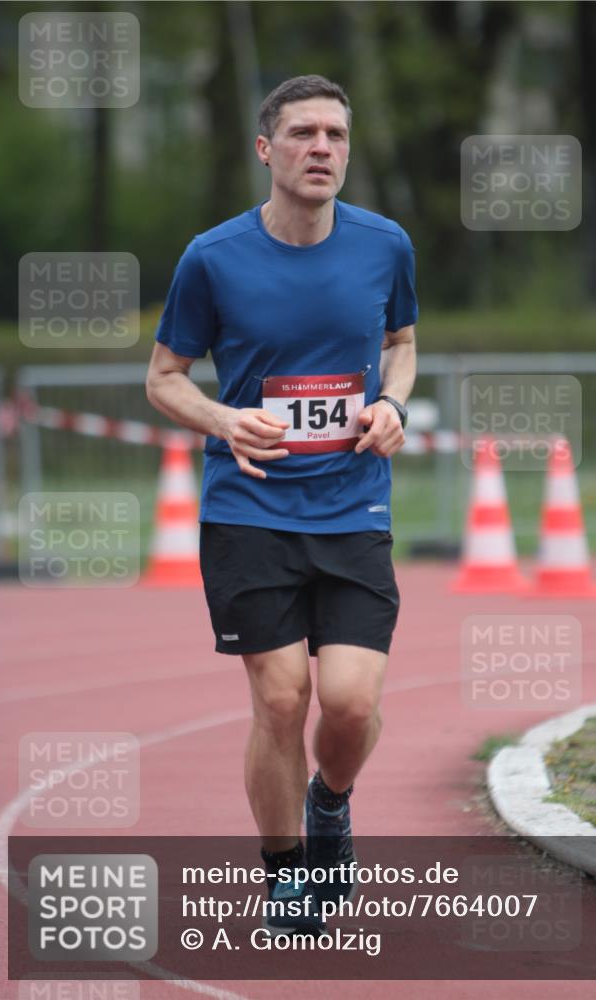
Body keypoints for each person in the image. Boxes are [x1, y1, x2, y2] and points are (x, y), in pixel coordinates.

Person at [146, 74, 417, 935]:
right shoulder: (213, 257)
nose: (321, 149)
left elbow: (401, 344)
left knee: (347, 700)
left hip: (352, 509)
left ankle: (329, 801)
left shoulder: (384, 245)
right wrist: (225, 418)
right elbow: (163, 380)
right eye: (302, 134)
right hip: (250, 509)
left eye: (335, 135)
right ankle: (285, 872)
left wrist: (393, 404)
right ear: (267, 150)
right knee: (279, 699)